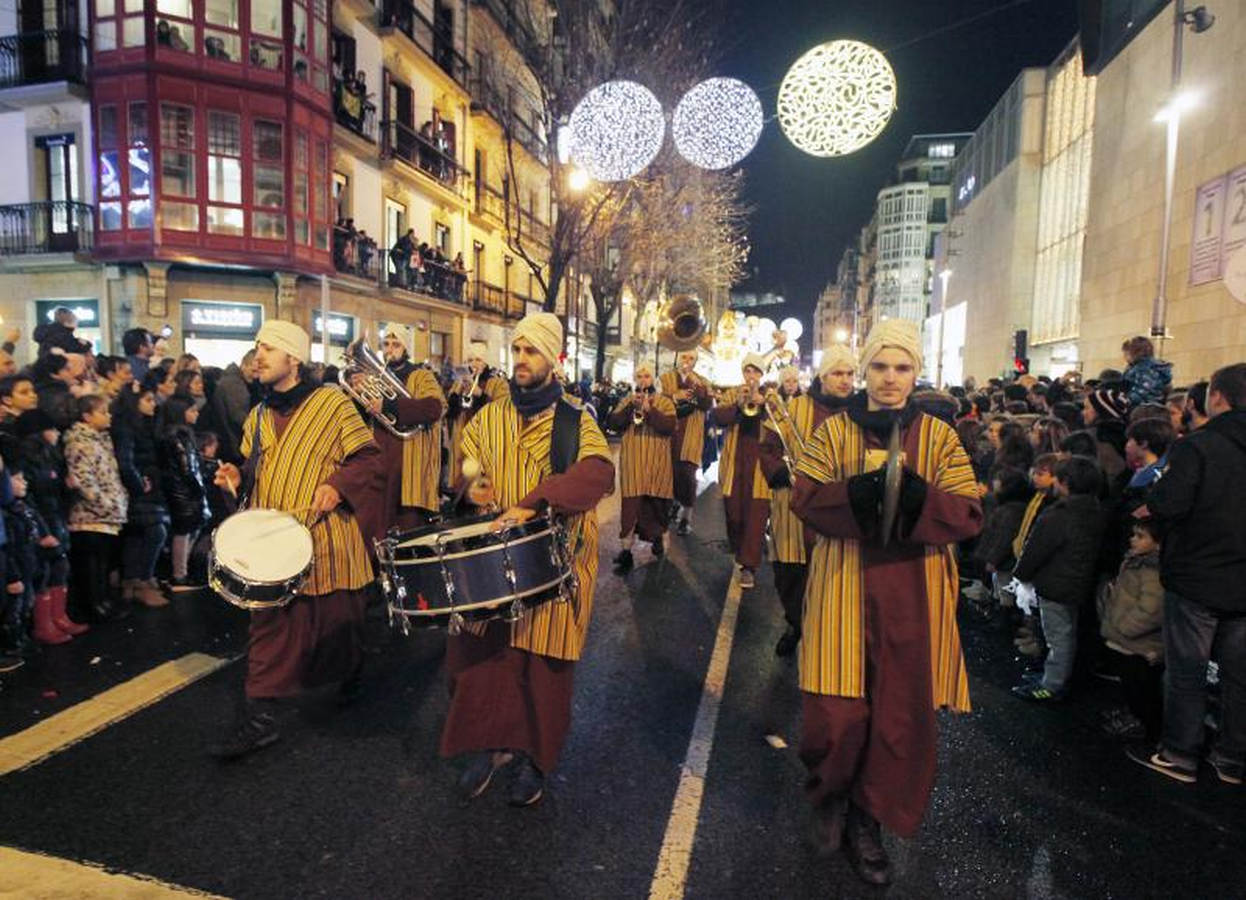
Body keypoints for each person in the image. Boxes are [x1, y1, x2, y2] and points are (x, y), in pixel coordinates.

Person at [790, 320, 982, 885]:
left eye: (901, 368)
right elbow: (804, 497)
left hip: (913, 596)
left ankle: (867, 822)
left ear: (915, 373)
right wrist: (857, 495)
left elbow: (969, 513)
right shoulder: (831, 434)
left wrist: (918, 496)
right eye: (880, 366)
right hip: (843, 587)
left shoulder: (940, 437)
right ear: (865, 372)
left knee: (897, 719)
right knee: (835, 716)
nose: (890, 379)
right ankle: (829, 792)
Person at [442, 313, 614, 807]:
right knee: (481, 660)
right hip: (492, 564)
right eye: (516, 351)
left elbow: (598, 473)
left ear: (553, 360)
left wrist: (536, 501)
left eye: (531, 352)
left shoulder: (576, 419)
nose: (520, 360)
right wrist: (474, 486)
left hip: (555, 566)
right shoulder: (489, 415)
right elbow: (467, 460)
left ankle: (535, 759)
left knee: (543, 670)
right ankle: (486, 745)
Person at [211, 320, 382, 760]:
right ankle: (260, 719)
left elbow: (367, 457)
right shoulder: (259, 414)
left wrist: (340, 484)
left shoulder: (334, 404)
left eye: (269, 348)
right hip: (274, 545)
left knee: (339, 625)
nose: (259, 355)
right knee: (269, 629)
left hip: (328, 540)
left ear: (294, 358)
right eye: (257, 348)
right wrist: (236, 477)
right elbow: (252, 467)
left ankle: (351, 671)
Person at [1128, 363, 1246, 785]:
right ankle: (1232, 758)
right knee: (1238, 675)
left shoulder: (1199, 446)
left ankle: (1180, 752)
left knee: (1187, 670)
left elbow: (1172, 502)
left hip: (1198, 575)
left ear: (1218, 397)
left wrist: (1152, 503)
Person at [759, 345, 855, 657]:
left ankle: (824, 633)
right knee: (790, 574)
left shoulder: (859, 414)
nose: (844, 380)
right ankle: (795, 623)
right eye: (837, 373)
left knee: (836, 577)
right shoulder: (795, 407)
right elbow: (769, 449)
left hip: (840, 509)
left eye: (850, 373)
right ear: (822, 376)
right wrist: (782, 476)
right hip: (793, 506)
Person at [1010, 455, 1104, 701]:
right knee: (1064, 633)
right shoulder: (1096, 510)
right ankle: (1051, 677)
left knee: (1057, 636)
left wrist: (1021, 574)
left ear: (1064, 482)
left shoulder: (1060, 514)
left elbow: (1037, 549)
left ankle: (1051, 686)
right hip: (1077, 582)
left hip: (1056, 584)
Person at [358, 325, 446, 543]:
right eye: (386, 344)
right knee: (377, 531)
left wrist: (388, 405)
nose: (390, 349)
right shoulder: (375, 375)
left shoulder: (420, 375)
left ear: (405, 348)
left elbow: (435, 407)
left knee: (407, 534)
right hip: (379, 463)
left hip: (409, 468)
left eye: (396, 345)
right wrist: (357, 395)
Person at [1097, 518, 1164, 742]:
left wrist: (1124, 627)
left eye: (1140, 536)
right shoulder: (1135, 562)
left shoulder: (1153, 570)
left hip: (1140, 643)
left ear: (1158, 543)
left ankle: (1147, 727)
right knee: (1129, 683)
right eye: (1134, 534)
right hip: (1126, 640)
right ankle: (1133, 714)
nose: (1132, 539)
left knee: (1142, 688)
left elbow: (1152, 609)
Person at [64, 395, 129, 623]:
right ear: (87, 416)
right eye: (102, 412)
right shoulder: (79, 443)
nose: (108, 416)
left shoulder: (101, 440)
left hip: (107, 513)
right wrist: (107, 504)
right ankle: (93, 605)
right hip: (89, 515)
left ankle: (103, 601)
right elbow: (84, 480)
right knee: (92, 563)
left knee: (102, 562)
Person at [709, 354, 771, 589]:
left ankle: (749, 566)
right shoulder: (733, 393)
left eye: (756, 371)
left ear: (762, 374)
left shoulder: (770, 395)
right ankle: (741, 550)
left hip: (760, 466)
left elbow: (780, 421)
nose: (751, 376)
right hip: (734, 465)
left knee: (755, 516)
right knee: (734, 515)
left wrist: (762, 404)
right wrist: (738, 405)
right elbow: (717, 417)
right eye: (748, 371)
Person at [609, 363, 675, 570]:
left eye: (647, 375)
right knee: (630, 510)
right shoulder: (627, 400)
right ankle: (626, 552)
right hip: (633, 465)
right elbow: (613, 422)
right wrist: (632, 407)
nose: (643, 379)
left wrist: (650, 410)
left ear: (652, 378)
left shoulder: (665, 402)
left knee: (657, 508)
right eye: (640, 376)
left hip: (657, 466)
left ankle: (658, 541)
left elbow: (669, 427)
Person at [111, 388, 170, 609]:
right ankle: (141, 581)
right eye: (147, 400)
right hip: (141, 490)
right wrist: (138, 486)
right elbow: (125, 462)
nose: (153, 404)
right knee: (155, 531)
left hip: (147, 487)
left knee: (138, 536)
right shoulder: (127, 429)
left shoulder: (144, 426)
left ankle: (134, 583)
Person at [660, 351, 713, 535]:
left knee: (689, 478)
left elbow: (707, 404)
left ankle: (686, 518)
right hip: (668, 437)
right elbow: (658, 401)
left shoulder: (703, 381)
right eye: (684, 357)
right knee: (668, 476)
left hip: (691, 436)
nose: (687, 361)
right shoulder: (665, 378)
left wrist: (696, 388)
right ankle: (672, 506)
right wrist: (675, 396)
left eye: (691, 358)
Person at [160, 395, 210, 591]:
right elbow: (187, 468)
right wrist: (198, 488)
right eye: (191, 410)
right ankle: (179, 575)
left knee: (188, 530)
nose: (196, 413)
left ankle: (181, 572)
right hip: (184, 492)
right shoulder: (178, 437)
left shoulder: (173, 435)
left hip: (181, 491)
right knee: (184, 531)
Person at [446, 341, 508, 487]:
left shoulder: (498, 383)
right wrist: (456, 393)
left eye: (478, 360)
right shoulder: (460, 383)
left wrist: (480, 395)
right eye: (470, 360)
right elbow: (449, 412)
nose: (473, 364)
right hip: (462, 441)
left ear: (486, 363)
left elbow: (503, 413)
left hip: (485, 442)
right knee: (461, 484)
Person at [206, 349, 256, 463]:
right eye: (253, 370)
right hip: (232, 442)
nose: (255, 375)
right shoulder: (234, 385)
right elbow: (238, 416)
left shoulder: (231, 380)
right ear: (243, 365)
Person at [1120, 336, 1172, 407]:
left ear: (1135, 352)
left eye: (1126, 354)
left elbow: (1142, 391)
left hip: (1142, 408)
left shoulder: (1143, 369)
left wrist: (1125, 400)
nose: (1124, 357)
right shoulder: (1157, 368)